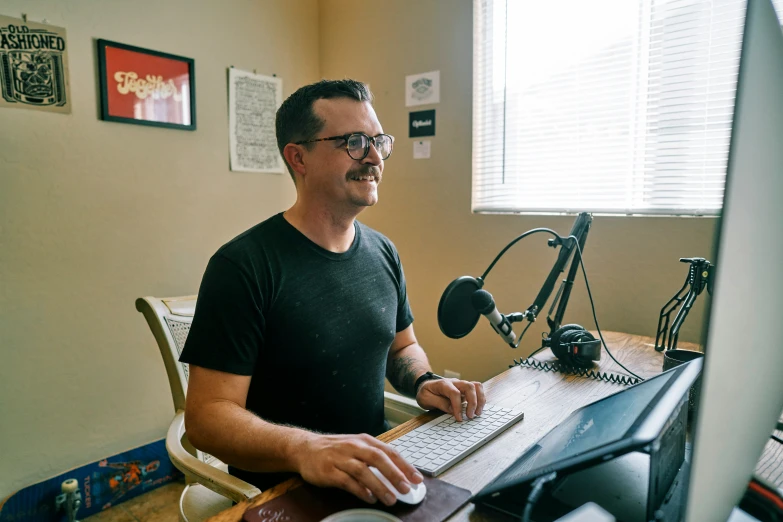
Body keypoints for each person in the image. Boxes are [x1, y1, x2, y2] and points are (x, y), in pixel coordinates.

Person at [179, 79, 486, 507]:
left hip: (376, 474)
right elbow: (207, 419)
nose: (375, 157)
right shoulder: (243, 266)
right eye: (355, 142)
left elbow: (403, 348)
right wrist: (305, 449)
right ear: (298, 157)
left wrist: (423, 380)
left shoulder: (383, 252)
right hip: (285, 492)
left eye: (378, 141)